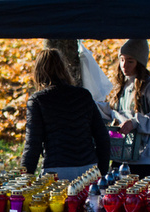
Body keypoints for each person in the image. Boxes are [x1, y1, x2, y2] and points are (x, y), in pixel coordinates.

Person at [21, 48, 110, 178]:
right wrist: (101, 170)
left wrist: (25, 177)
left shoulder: (38, 101)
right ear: (64, 69)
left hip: (56, 169)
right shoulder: (83, 95)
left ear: (38, 72)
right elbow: (102, 137)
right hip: (88, 167)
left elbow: (32, 145)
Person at [96, 39, 150, 178]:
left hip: (147, 161)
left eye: (130, 61)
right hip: (122, 157)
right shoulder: (122, 86)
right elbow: (113, 111)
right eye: (122, 60)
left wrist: (135, 122)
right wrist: (91, 105)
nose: (124, 65)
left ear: (140, 63)